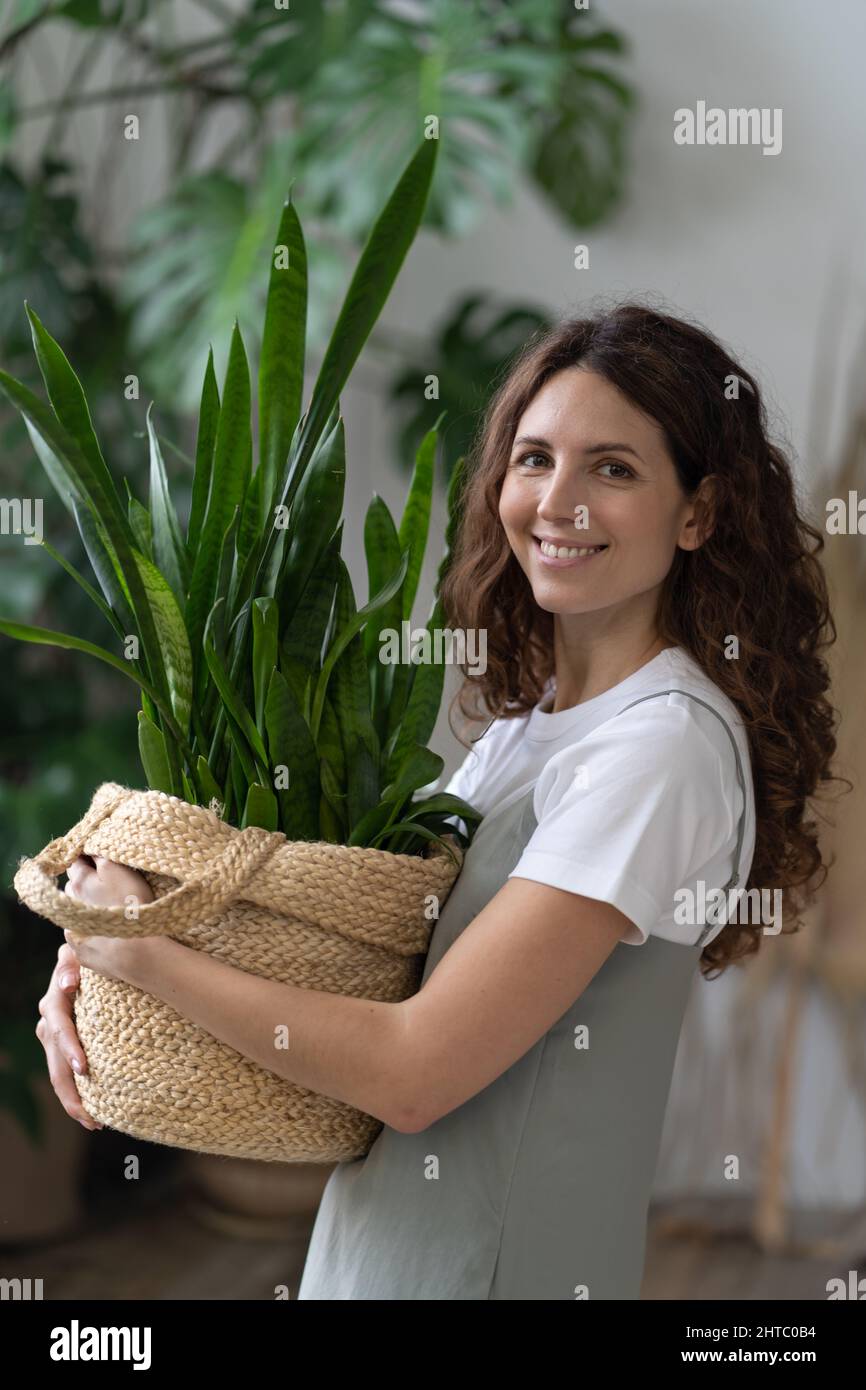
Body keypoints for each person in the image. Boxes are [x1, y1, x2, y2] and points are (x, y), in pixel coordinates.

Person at [37, 302, 842, 1300]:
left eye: (614, 468)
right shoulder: (528, 731)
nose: (560, 500)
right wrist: (100, 963)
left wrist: (141, 952)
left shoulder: (658, 746)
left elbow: (413, 1072)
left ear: (698, 513)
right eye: (534, 457)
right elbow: (355, 979)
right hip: (393, 1258)